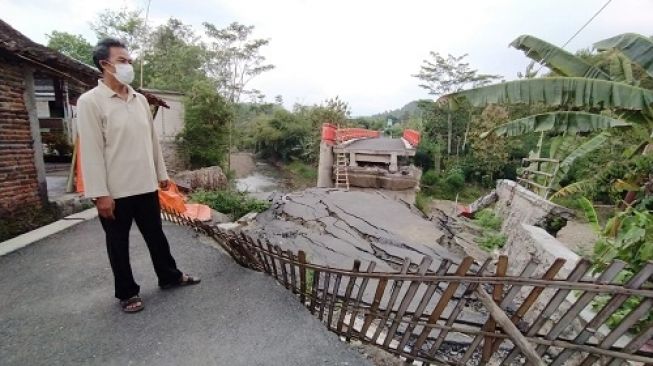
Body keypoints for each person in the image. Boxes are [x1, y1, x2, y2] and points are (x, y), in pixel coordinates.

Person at [77, 38, 200, 313]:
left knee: (156, 235)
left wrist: (162, 173)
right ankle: (127, 293)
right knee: (118, 244)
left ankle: (169, 276)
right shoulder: (91, 102)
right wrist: (100, 194)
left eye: (130, 61)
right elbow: (92, 152)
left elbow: (152, 141)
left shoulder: (140, 100)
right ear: (104, 65)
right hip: (115, 192)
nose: (128, 66)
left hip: (145, 185)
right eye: (122, 61)